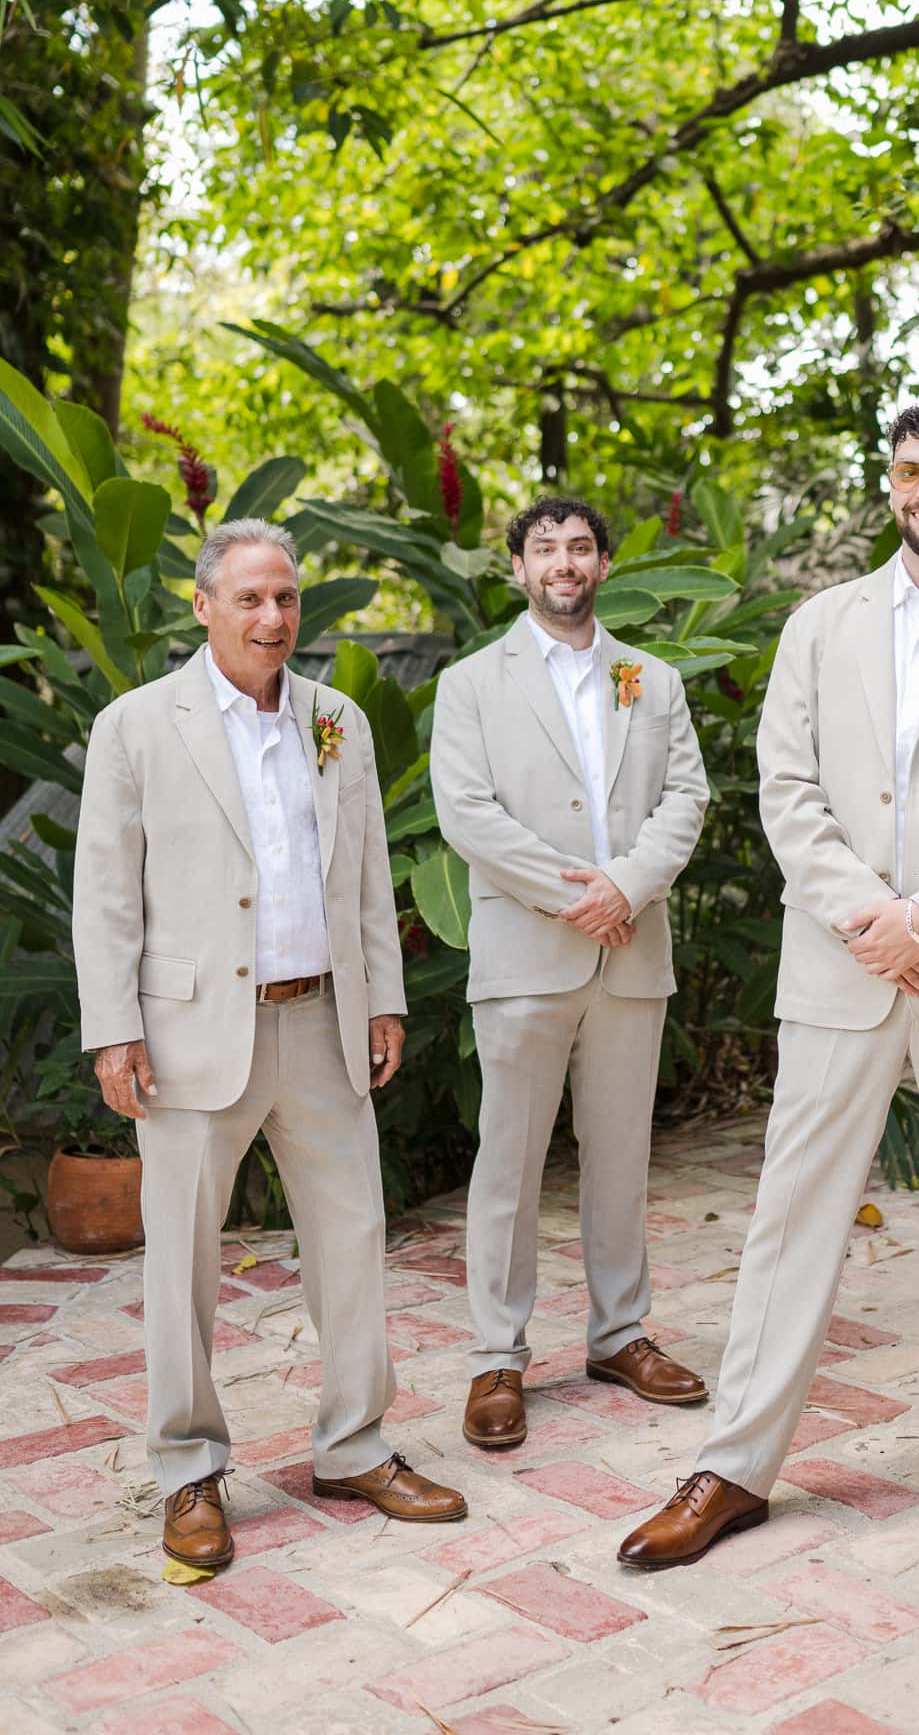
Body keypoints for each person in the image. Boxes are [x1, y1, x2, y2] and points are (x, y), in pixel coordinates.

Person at [618, 400, 919, 1572]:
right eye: (910, 471)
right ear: (891, 487)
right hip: (841, 963)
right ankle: (734, 1465)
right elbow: (788, 787)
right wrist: (871, 921)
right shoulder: (820, 627)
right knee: (792, 1216)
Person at [74, 518, 465, 1573]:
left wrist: (381, 996)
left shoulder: (336, 720)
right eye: (248, 598)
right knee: (183, 1262)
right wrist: (114, 1030)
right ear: (202, 607)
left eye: (285, 598)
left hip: (324, 1023)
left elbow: (368, 871)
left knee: (353, 1243)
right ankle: (188, 1472)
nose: (273, 617)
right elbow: (106, 893)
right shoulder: (136, 726)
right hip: (194, 1032)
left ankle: (353, 1446)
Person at [431, 495, 710, 1451]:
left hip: (632, 953)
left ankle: (620, 1333)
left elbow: (686, 796)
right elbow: (467, 813)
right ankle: (496, 1356)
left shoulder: (652, 679)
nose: (564, 562)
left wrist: (625, 888)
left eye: (581, 547)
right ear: (518, 568)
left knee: (623, 1154)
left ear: (600, 566)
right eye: (545, 548)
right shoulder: (472, 684)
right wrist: (574, 896)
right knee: (506, 1163)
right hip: (524, 961)